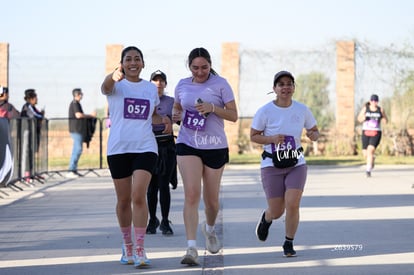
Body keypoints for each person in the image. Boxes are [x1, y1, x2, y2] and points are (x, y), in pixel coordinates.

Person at [101, 46, 172, 268]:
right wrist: (112, 75)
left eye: (137, 59)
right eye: (128, 59)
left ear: (143, 64)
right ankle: (127, 245)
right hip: (119, 148)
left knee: (138, 195)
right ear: (122, 63)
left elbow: (151, 115)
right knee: (123, 200)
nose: (133, 62)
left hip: (145, 147)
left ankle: (140, 248)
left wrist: (166, 120)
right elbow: (105, 86)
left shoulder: (150, 89)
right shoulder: (115, 86)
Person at [172, 47, 238, 266]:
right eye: (195, 68)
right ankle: (191, 248)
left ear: (210, 65)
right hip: (187, 143)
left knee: (211, 201)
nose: (200, 72)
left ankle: (209, 229)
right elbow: (177, 106)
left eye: (204, 67)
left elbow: (234, 115)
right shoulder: (182, 84)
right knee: (191, 193)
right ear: (189, 66)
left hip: (215, 146)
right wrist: (176, 114)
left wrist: (212, 108)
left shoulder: (221, 84)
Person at [250, 71, 319, 257]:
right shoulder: (265, 111)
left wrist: (313, 135)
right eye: (281, 84)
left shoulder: (302, 109)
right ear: (274, 89)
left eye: (289, 84)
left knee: (293, 203)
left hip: (296, 162)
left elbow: (314, 130)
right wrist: (272, 138)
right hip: (271, 164)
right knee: (277, 210)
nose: (285, 87)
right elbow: (253, 136)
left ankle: (288, 242)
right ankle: (266, 218)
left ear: (294, 88)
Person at [146, 70, 177, 235]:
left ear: (165, 83)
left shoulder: (171, 101)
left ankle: (165, 220)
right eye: (155, 80)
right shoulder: (146, 100)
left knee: (163, 184)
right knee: (151, 186)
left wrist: (172, 121)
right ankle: (152, 219)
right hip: (149, 144)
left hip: (166, 146)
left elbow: (179, 117)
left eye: (161, 80)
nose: (158, 83)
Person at [67, 88, 96, 178]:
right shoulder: (74, 103)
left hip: (78, 130)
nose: (81, 95)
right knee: (78, 149)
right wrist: (90, 115)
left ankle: (74, 169)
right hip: (76, 130)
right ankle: (71, 170)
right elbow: (78, 115)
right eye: (80, 94)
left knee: (77, 149)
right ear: (77, 95)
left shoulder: (77, 104)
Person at [357, 94, 388, 177]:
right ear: (370, 101)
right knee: (365, 153)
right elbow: (359, 118)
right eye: (373, 101)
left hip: (376, 132)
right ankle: (372, 159)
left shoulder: (380, 110)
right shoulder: (365, 109)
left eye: (376, 101)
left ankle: (368, 170)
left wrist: (384, 119)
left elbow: (385, 120)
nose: (374, 102)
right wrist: (362, 118)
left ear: (377, 102)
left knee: (370, 150)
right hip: (366, 132)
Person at [20, 89, 45, 182]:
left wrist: (41, 114)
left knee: (33, 152)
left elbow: (38, 114)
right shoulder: (27, 107)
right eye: (35, 97)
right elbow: (35, 116)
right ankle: (26, 174)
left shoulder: (33, 107)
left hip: (34, 133)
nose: (37, 99)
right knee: (27, 153)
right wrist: (41, 115)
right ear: (30, 99)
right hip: (27, 132)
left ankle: (32, 172)